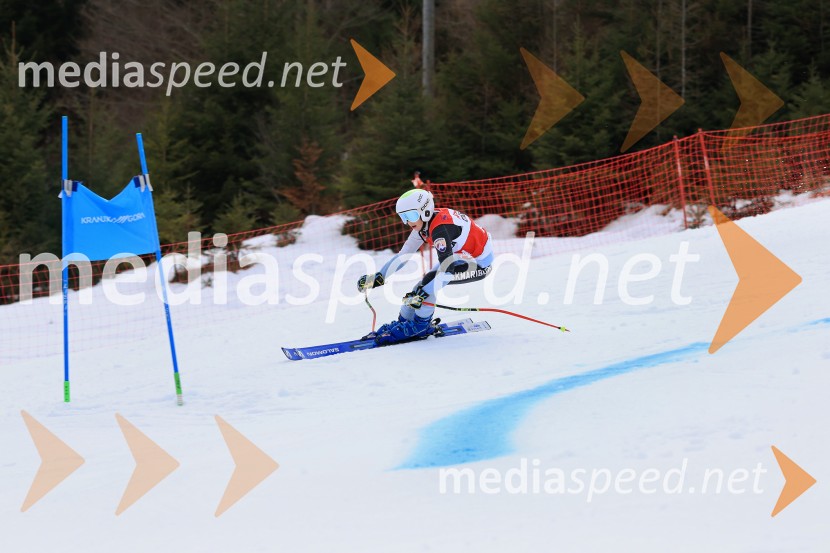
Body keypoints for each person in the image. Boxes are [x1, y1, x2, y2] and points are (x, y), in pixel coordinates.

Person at [357, 189, 493, 345]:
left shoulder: (440, 230)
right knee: (421, 287)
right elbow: (404, 256)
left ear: (425, 211)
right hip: (460, 257)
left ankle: (420, 326)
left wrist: (423, 294)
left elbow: (447, 273)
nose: (408, 222)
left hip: (479, 264)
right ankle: (404, 322)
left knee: (428, 284)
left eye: (411, 216)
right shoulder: (422, 226)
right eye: (404, 217)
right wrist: (379, 277)